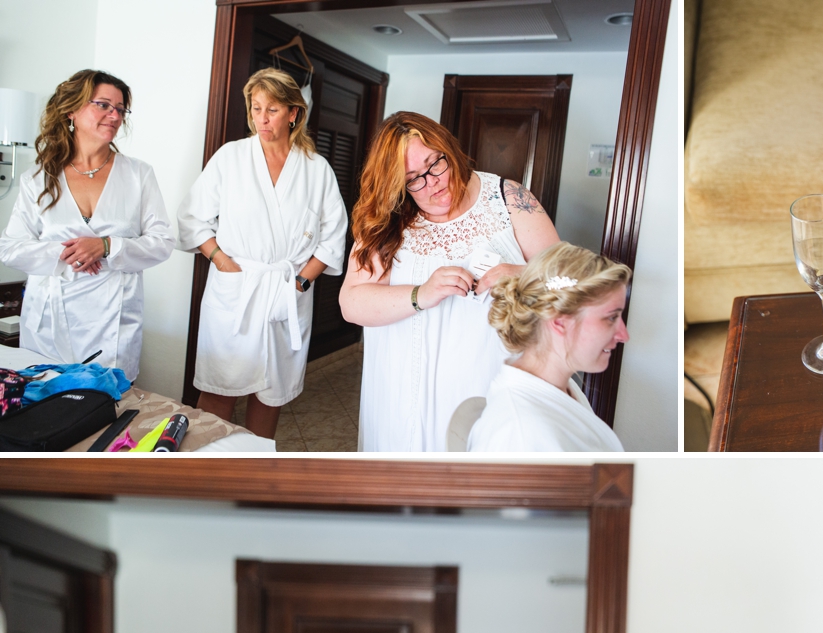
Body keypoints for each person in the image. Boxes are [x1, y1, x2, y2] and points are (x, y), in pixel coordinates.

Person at [340, 114, 560, 452]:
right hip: (404, 394)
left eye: (435, 163)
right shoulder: (388, 220)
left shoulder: (507, 198)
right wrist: (421, 294)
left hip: (489, 385)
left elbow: (568, 281)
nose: (433, 182)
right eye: (414, 179)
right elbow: (351, 303)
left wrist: (523, 274)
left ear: (448, 150)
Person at [180, 68, 347, 440]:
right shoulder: (231, 158)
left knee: (272, 392)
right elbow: (191, 217)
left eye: (272, 109)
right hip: (237, 287)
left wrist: (302, 281)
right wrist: (222, 261)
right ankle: (204, 464)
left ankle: (256, 462)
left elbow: (334, 235)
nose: (262, 119)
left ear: (293, 113)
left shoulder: (316, 169)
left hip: (287, 289)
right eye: (256, 108)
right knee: (219, 389)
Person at [0, 71, 171, 383]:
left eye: (120, 109)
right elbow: (10, 248)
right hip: (50, 322)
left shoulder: (139, 175)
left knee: (106, 402)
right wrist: (71, 252)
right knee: (47, 403)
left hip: (114, 326)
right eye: (103, 105)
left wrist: (106, 246)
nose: (114, 116)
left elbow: (162, 243)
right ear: (72, 110)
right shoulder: (38, 178)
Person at [467, 243, 628, 452]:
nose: (624, 335)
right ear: (560, 321)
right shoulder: (520, 435)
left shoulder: (562, 386)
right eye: (611, 318)